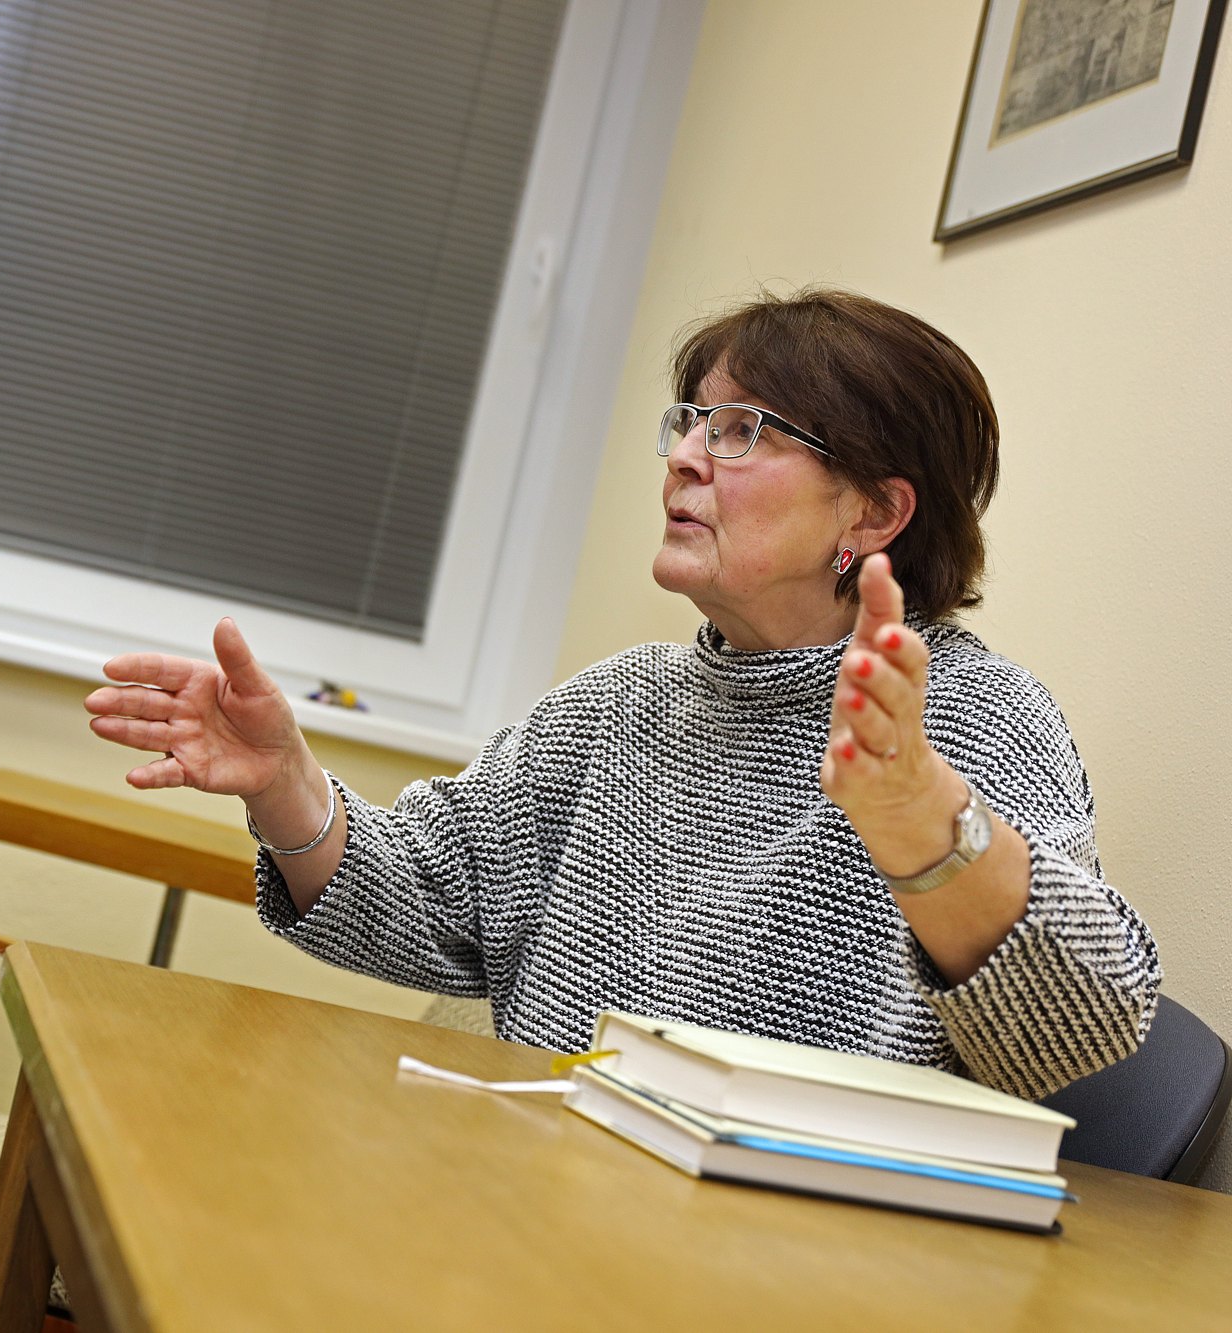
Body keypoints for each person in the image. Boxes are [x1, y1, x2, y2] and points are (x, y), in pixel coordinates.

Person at [85, 288, 1158, 1101]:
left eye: (740, 430)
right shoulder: (622, 702)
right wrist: (283, 781)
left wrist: (921, 820)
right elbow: (424, 912)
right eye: (689, 421)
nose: (683, 457)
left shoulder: (974, 718)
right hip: (525, 1208)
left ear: (873, 514)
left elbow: (1083, 1025)